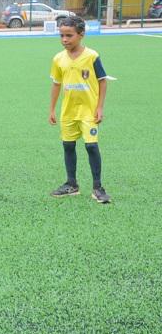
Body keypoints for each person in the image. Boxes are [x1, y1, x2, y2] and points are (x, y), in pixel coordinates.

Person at [48, 16, 114, 203]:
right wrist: (52, 109)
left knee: (91, 146)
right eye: (61, 35)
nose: (64, 40)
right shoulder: (58, 59)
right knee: (68, 146)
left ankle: (98, 188)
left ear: (81, 34)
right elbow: (56, 84)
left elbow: (102, 82)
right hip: (68, 111)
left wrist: (100, 107)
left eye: (69, 35)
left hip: (89, 111)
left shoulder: (92, 56)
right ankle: (71, 184)